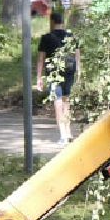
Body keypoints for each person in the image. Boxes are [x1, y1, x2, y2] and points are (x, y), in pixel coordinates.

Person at [35, 10, 79, 144]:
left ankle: (63, 135)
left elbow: (41, 60)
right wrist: (79, 73)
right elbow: (77, 55)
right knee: (67, 102)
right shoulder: (71, 36)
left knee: (58, 102)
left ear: (52, 22)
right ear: (62, 22)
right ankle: (69, 132)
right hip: (69, 72)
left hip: (54, 75)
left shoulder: (46, 38)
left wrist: (39, 78)